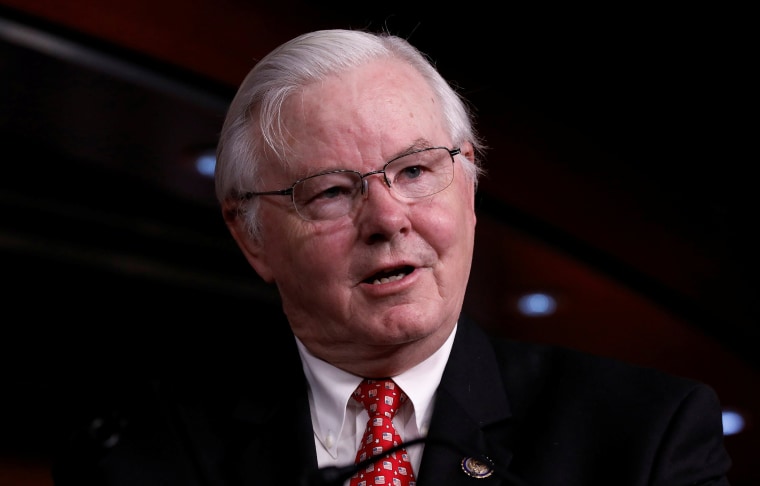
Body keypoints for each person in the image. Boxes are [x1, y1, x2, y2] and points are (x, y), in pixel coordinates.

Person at [52, 28, 732, 486]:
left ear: (469, 189)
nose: (386, 219)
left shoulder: (644, 437)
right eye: (330, 192)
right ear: (251, 236)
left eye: (413, 171)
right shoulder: (143, 455)